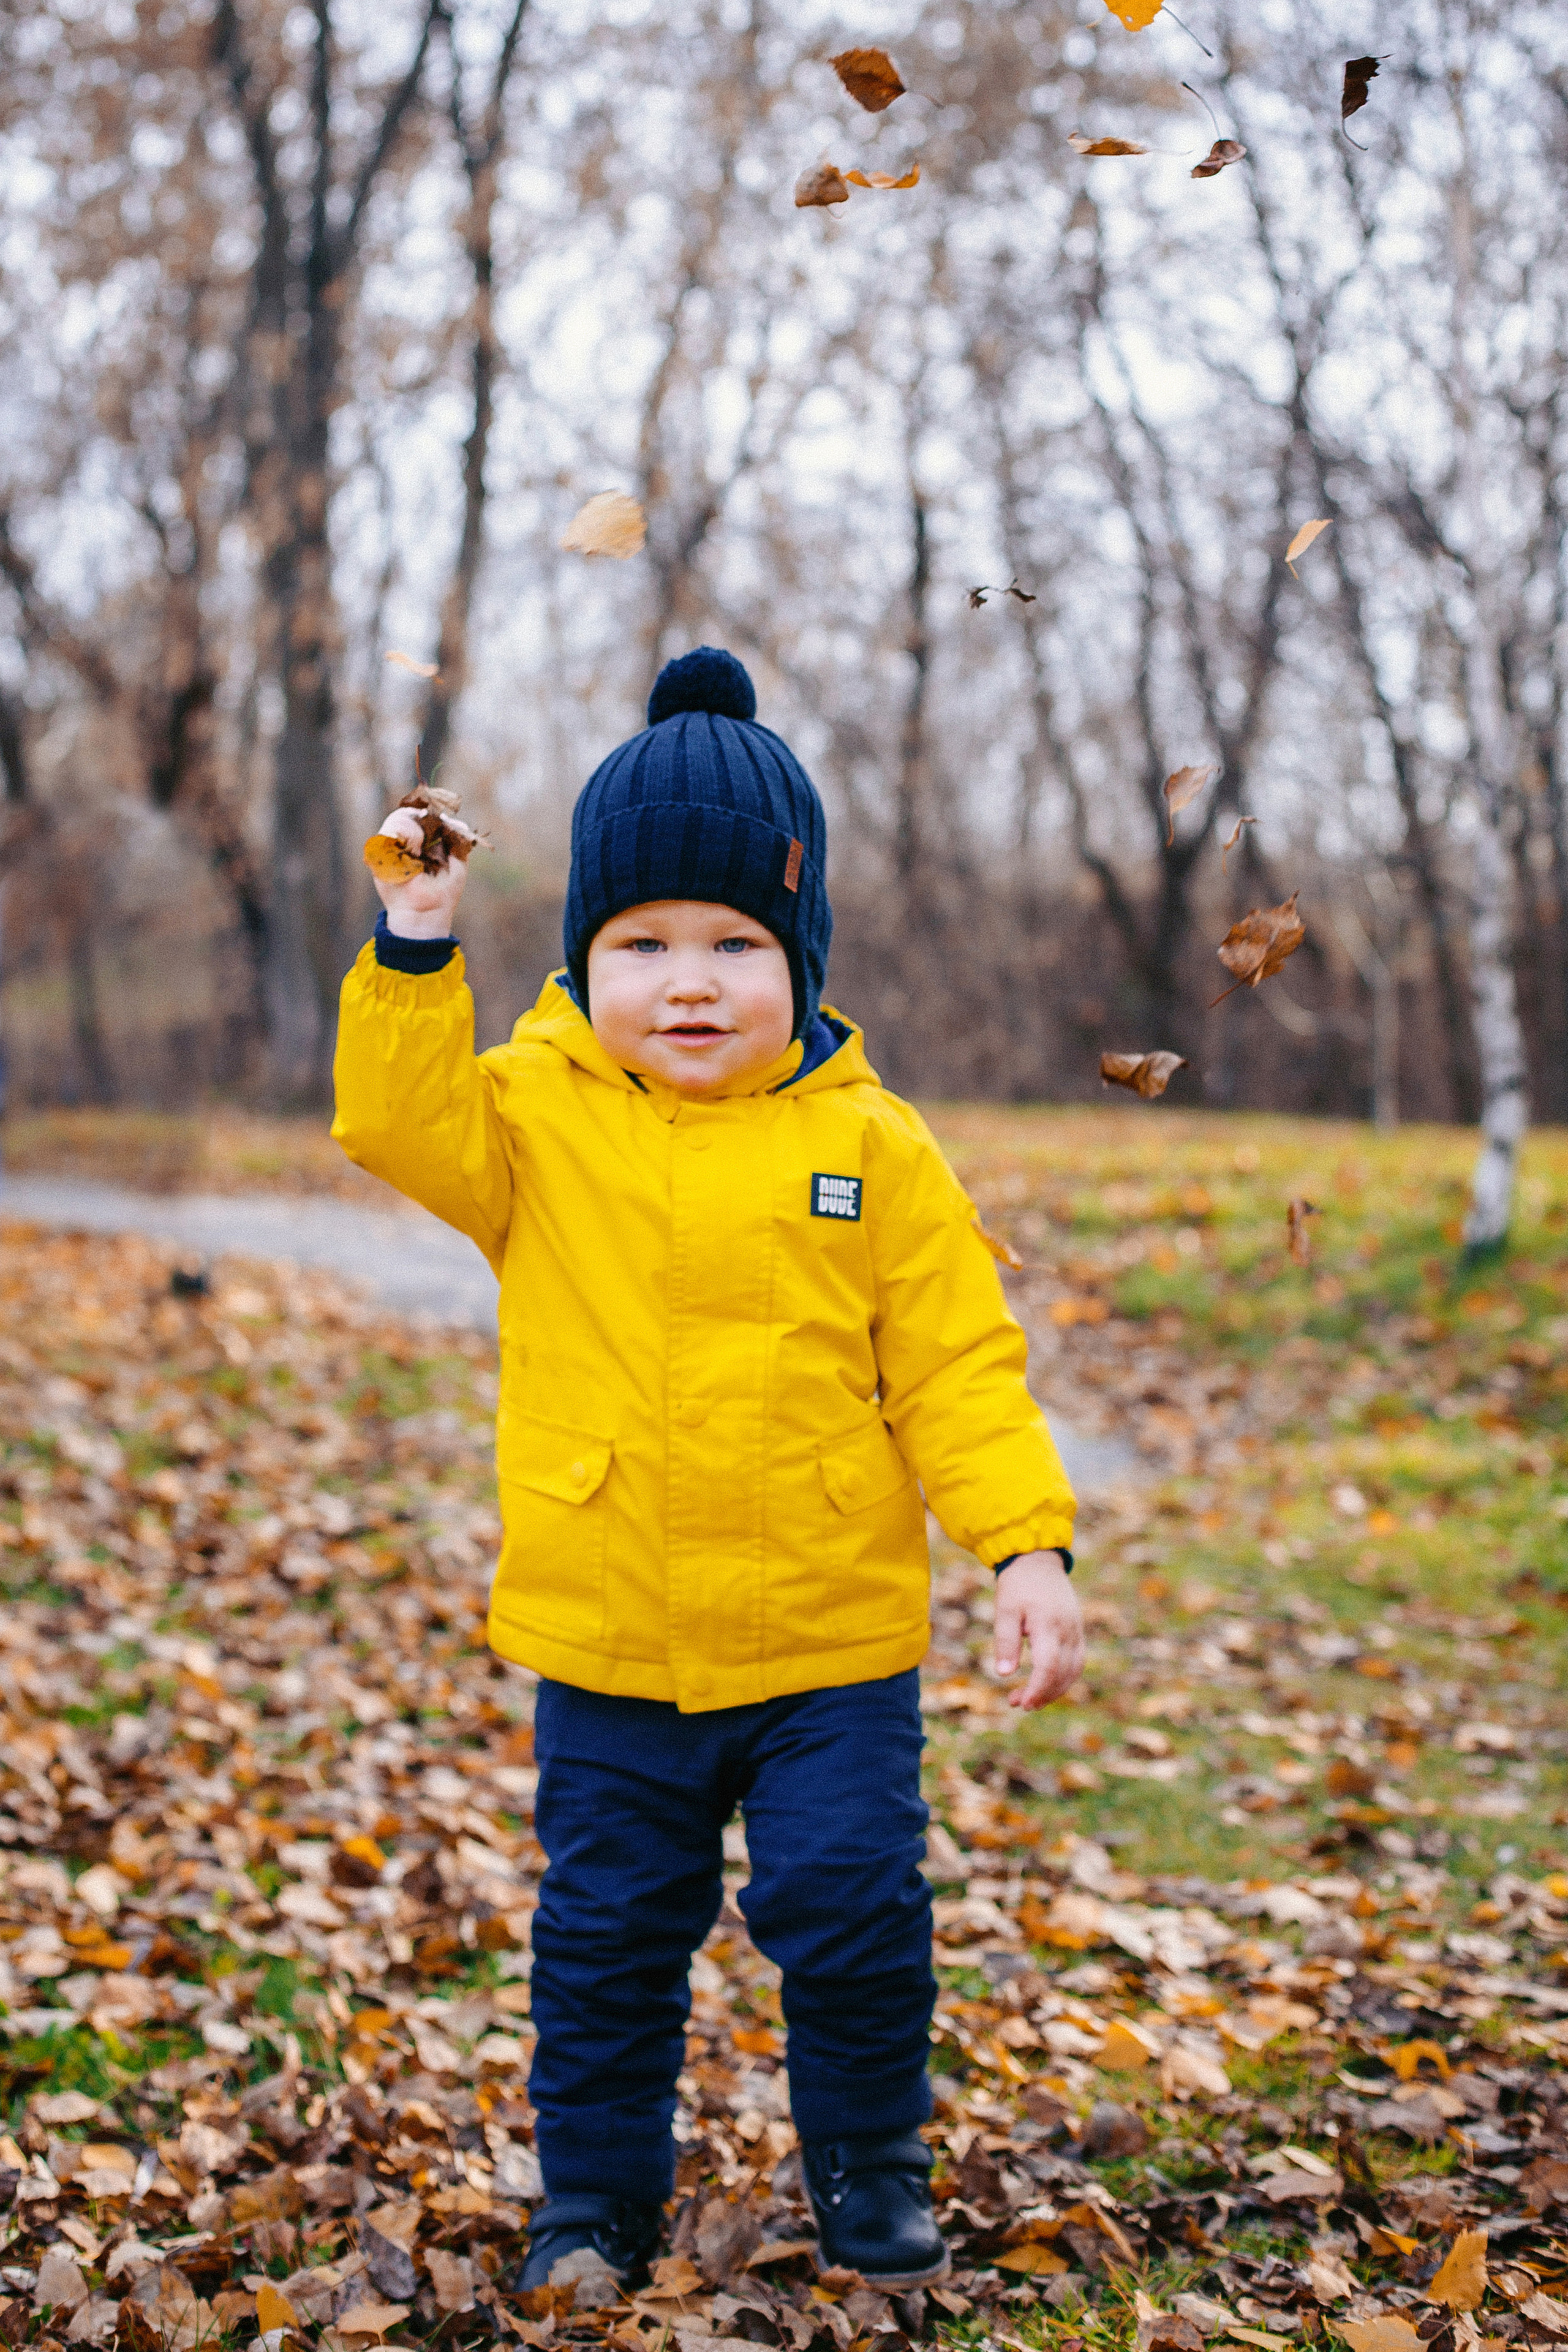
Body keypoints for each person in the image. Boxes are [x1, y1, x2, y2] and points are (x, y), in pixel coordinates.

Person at [332, 646, 1084, 2294]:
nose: (690, 981)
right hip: (611, 1635)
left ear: (801, 957)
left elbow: (957, 1365)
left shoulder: (873, 1144)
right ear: (586, 956)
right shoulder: (533, 1114)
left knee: (854, 1910)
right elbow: (392, 1125)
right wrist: (415, 940)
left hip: (831, 1641)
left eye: (737, 944)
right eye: (644, 943)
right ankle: (594, 2200)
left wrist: (1025, 1546)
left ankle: (873, 2168)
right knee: (603, 1942)